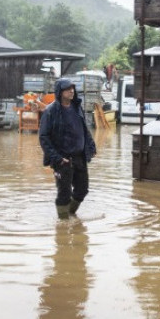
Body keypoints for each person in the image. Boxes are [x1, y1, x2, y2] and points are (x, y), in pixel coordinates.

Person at [39, 78, 96, 219]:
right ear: (60, 92)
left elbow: (83, 129)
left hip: (79, 156)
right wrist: (56, 158)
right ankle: (63, 225)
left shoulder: (77, 107)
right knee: (64, 194)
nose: (71, 91)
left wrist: (91, 146)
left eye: (72, 88)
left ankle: (70, 214)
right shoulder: (50, 111)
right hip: (62, 159)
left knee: (82, 190)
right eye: (67, 89)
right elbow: (43, 137)